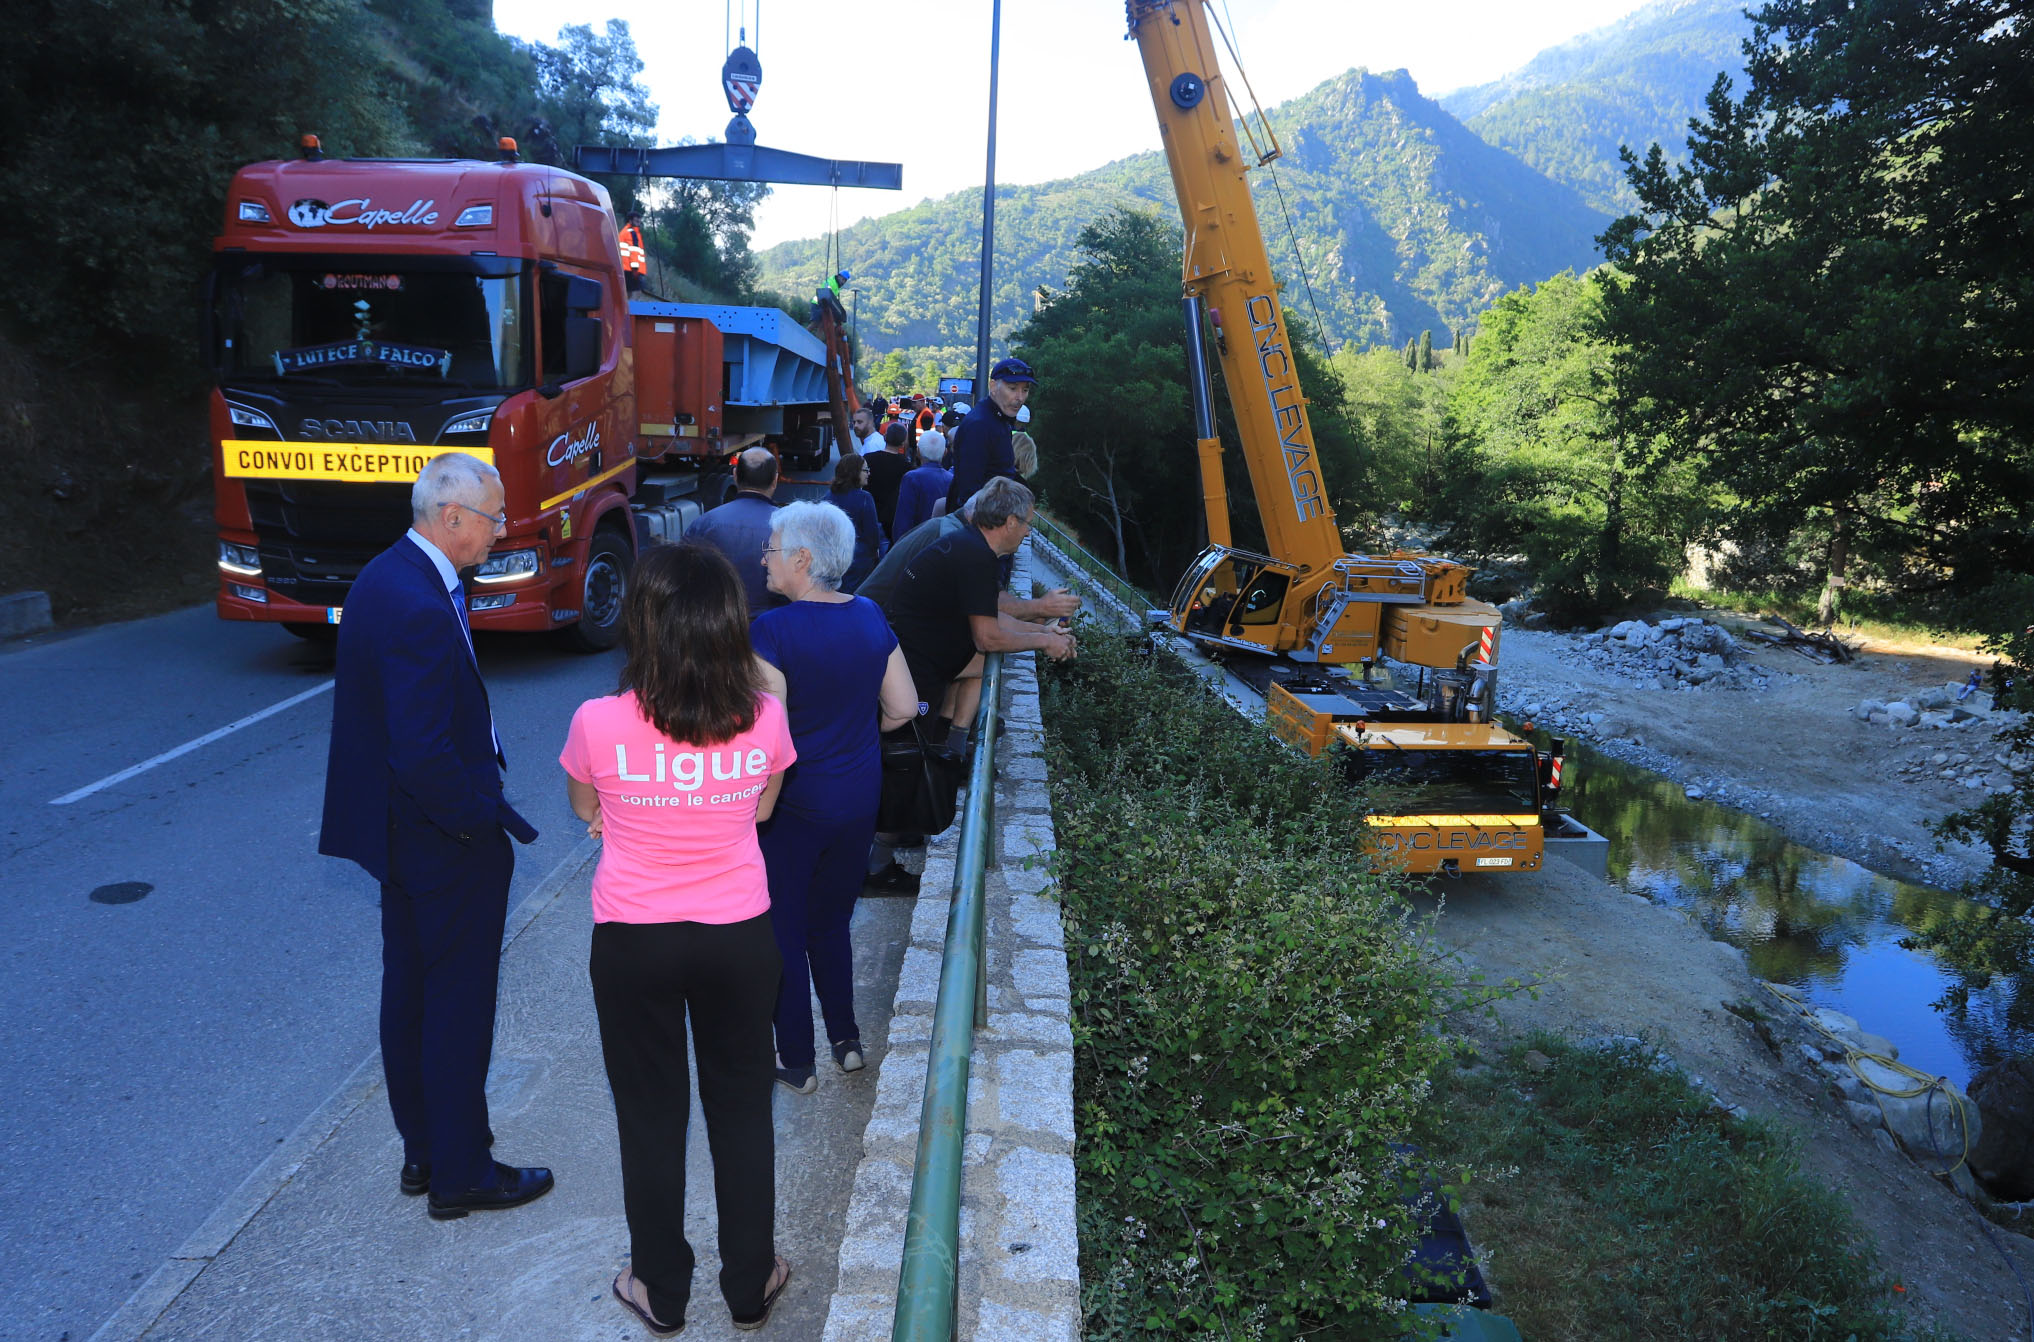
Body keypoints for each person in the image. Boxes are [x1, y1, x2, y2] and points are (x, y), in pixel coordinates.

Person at [560, 543, 796, 1336]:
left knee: (651, 1115)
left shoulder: (596, 720)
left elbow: (584, 808)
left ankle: (660, 1287)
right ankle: (749, 1284)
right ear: (731, 625)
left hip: (634, 940)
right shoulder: (765, 716)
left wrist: (629, 811)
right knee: (741, 1111)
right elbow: (761, 813)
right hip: (738, 935)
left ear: (644, 625)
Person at [318, 451, 549, 1219]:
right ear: (450, 518)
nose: (502, 530)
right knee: (457, 1008)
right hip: (439, 838)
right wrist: (475, 822)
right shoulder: (418, 601)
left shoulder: (388, 575)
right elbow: (421, 750)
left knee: (411, 995)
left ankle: (424, 1149)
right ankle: (462, 1173)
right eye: (493, 517)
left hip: (398, 835)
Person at [751, 503, 919, 1092]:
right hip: (857, 799)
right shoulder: (871, 616)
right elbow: (901, 706)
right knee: (831, 923)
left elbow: (764, 735)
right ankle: (846, 1041)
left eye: (770, 550)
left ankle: (797, 1063)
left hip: (793, 805)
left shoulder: (770, 631)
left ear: (802, 559)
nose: (764, 560)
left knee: (783, 932)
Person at [865, 478, 1078, 893]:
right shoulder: (974, 557)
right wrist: (1045, 640)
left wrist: (1045, 630)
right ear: (1010, 521)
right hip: (913, 673)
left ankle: (896, 835)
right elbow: (988, 638)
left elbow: (992, 622)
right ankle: (873, 869)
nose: (1030, 531)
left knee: (904, 763)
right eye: (1028, 523)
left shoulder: (969, 546)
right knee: (903, 764)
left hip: (916, 664)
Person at [685, 446, 782, 615]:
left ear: (735, 476)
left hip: (717, 624)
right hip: (772, 624)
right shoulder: (791, 527)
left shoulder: (704, 523)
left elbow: (685, 579)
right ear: (775, 480)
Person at [943, 357, 1034, 514]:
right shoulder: (981, 425)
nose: (1020, 397)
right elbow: (969, 494)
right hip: (979, 523)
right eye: (1013, 388)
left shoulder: (1000, 419)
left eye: (1025, 390)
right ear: (993, 386)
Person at [824, 452, 886, 593]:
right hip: (858, 562)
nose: (868, 473)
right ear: (854, 472)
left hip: (832, 560)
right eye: (865, 470)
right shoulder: (865, 498)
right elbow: (873, 536)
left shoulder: (827, 497)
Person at [891, 431, 952, 540]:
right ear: (945, 452)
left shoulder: (912, 478)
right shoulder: (951, 479)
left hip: (917, 544)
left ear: (918, 452)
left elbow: (903, 521)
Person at [863, 422, 912, 541]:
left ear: (885, 437)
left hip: (868, 513)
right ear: (902, 443)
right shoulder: (907, 466)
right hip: (891, 519)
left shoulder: (868, 458)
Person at [619, 212, 649, 294]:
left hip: (626, 268)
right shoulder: (631, 233)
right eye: (636, 221)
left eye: (639, 221)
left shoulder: (626, 231)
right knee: (629, 294)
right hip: (630, 270)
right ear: (630, 220)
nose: (638, 223)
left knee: (624, 292)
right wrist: (635, 270)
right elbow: (634, 252)